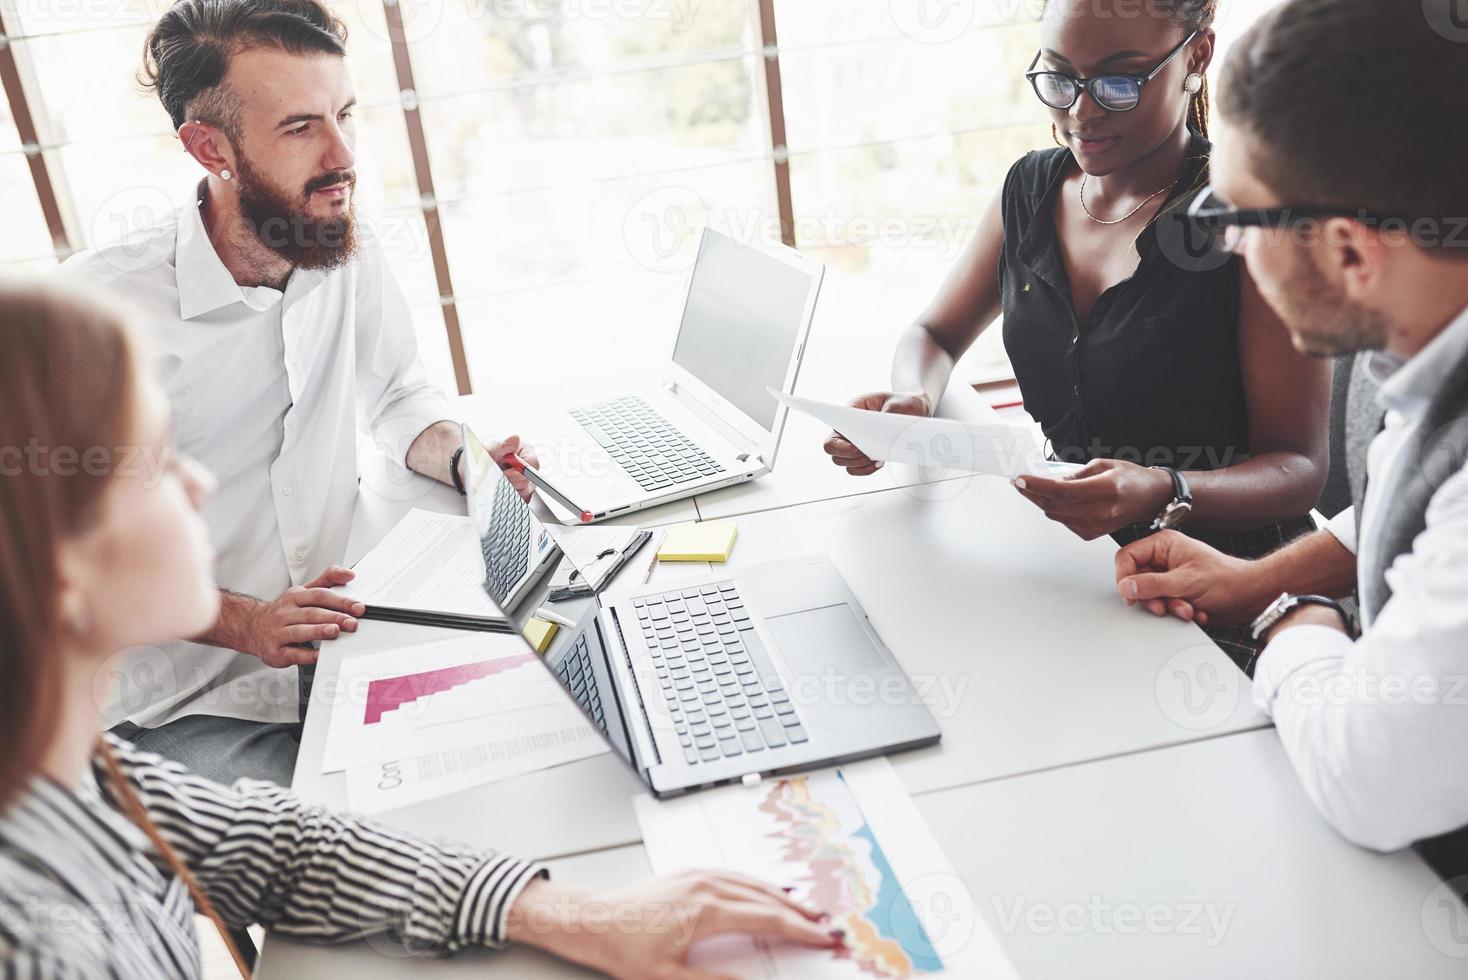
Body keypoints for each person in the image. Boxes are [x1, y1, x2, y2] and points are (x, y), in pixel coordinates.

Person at [0, 279, 846, 979]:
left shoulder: (71, 773)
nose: (196, 487)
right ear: (61, 570)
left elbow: (273, 846)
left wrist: (572, 913)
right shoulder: (39, 943)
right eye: (153, 465)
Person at [58, 0, 537, 787]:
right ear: (208, 146)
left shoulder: (336, 236)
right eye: (300, 127)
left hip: (344, 647)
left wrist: (466, 463)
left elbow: (397, 395)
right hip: (183, 702)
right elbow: (65, 556)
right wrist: (247, 622)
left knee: (518, 763)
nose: (343, 155)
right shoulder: (100, 318)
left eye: (346, 114)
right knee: (342, 880)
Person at [820, 0, 1329, 672]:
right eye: (1060, 79)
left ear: (1197, 59)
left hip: (1239, 585)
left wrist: (1163, 488)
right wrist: (912, 402)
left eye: (1120, 83)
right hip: (1079, 566)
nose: (1082, 115)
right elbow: (934, 333)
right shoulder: (1032, 189)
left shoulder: (1246, 217)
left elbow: (1298, 468)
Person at [1112, 0, 1468, 858]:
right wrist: (1253, 576)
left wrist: (1291, 622)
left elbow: (1365, 781)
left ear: (1350, 251)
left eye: (1237, 218)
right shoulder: (1427, 344)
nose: (1228, 247)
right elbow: (1409, 509)